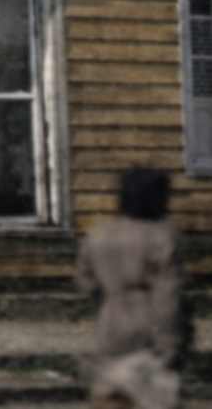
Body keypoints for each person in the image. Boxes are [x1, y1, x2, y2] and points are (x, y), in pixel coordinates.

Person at [77, 168, 189, 409]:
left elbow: (87, 284)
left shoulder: (98, 235)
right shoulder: (162, 237)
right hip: (150, 326)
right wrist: (170, 342)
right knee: (154, 398)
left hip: (110, 324)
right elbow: (168, 296)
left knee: (115, 396)